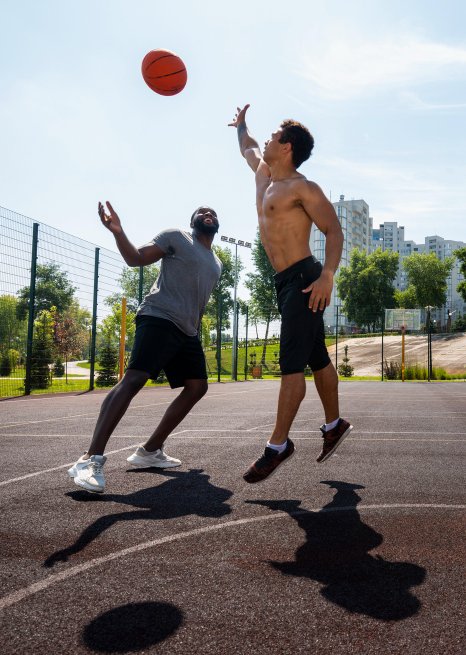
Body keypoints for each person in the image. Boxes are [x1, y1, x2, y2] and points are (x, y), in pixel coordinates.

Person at [229, 104, 352, 483]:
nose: (266, 140)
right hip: (284, 283)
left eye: (273, 136)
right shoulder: (263, 176)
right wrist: (242, 125)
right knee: (317, 359)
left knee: (290, 367)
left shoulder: (302, 187)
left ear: (287, 147)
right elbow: (247, 147)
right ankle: (334, 425)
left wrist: (327, 275)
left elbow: (333, 230)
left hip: (305, 280)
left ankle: (277, 446)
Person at [67, 202, 223, 493]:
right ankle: (90, 459)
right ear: (192, 222)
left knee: (197, 387)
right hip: (159, 317)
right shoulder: (177, 237)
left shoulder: (217, 262)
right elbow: (135, 258)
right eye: (202, 212)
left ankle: (149, 451)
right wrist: (118, 232)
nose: (208, 214)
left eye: (212, 213)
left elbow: (197, 298)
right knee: (135, 379)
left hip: (187, 330)